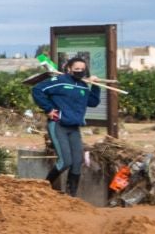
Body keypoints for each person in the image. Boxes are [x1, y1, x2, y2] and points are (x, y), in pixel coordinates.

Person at [31, 55, 103, 196]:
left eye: (82, 69)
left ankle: (71, 197)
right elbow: (37, 90)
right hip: (58, 125)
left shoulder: (83, 85)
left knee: (77, 162)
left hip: (74, 128)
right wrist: (49, 109)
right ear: (69, 69)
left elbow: (93, 102)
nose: (80, 71)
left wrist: (95, 86)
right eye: (77, 69)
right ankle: (44, 187)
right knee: (65, 161)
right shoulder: (59, 81)